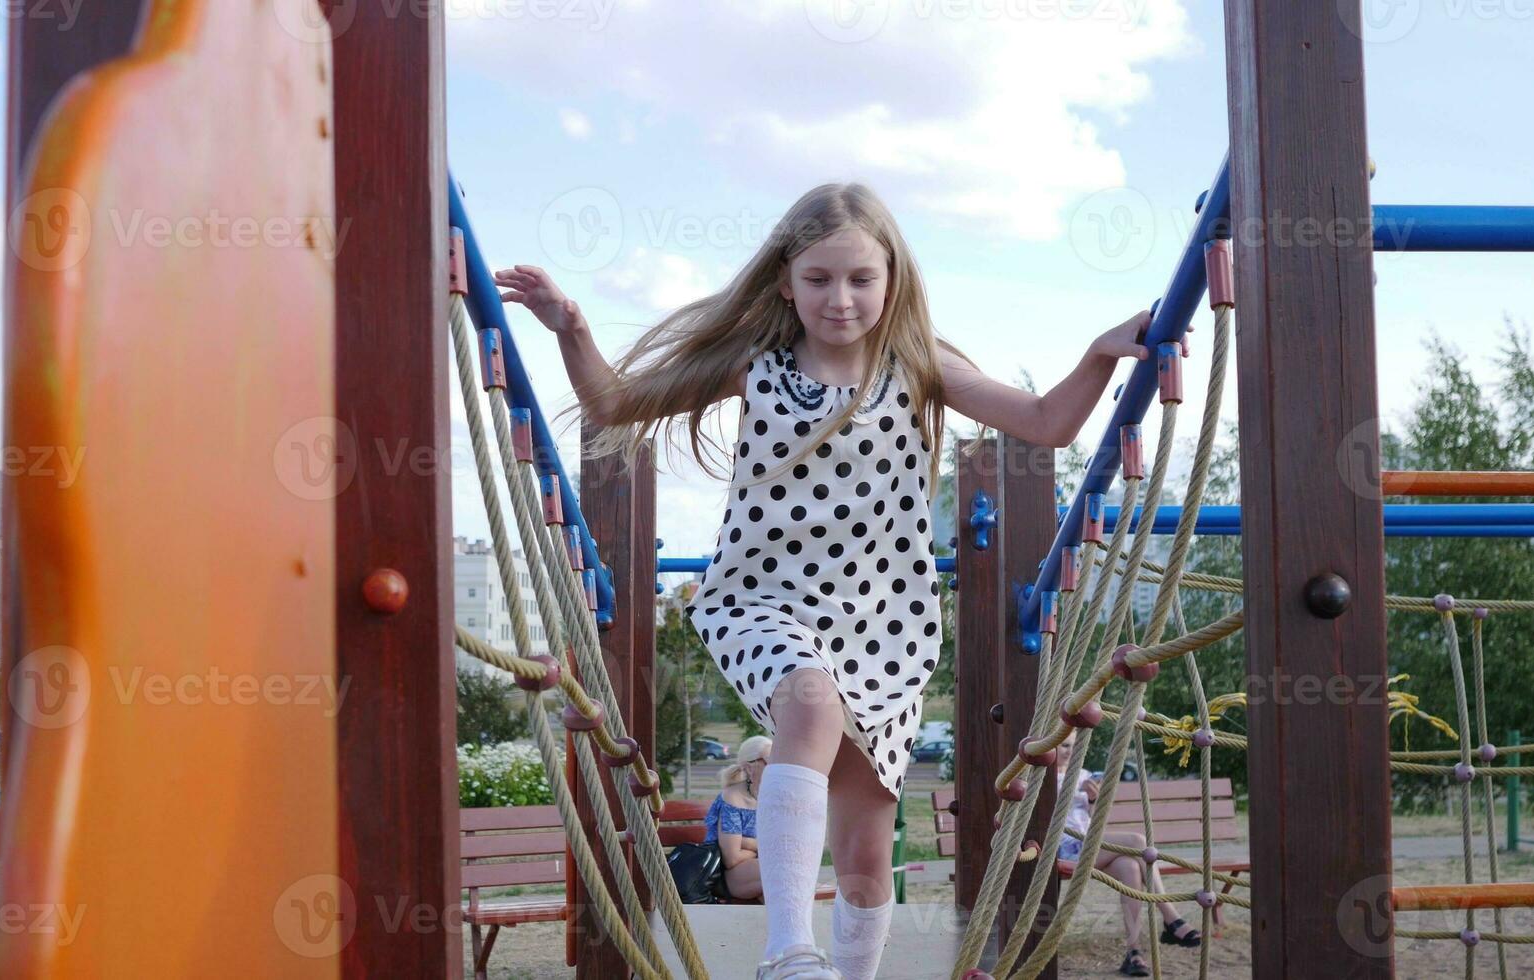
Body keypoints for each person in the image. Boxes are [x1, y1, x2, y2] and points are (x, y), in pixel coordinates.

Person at [496, 182, 1155, 980]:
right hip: (762, 599)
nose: (839, 299)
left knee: (866, 861)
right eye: (818, 280)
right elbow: (613, 401)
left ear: (891, 281)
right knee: (806, 701)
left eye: (859, 279)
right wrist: (573, 328)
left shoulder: (920, 369)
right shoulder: (757, 367)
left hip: (881, 626)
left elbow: (1048, 423)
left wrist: (1095, 354)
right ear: (785, 281)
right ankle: (788, 954)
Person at [1054, 738, 1202, 978]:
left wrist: (1093, 800)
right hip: (1063, 849)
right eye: (1063, 745)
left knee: (1130, 867)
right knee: (1137, 841)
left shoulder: (1084, 775)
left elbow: (1095, 820)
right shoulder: (1040, 776)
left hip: (1088, 844)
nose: (1069, 751)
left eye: (1073, 745)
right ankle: (1170, 917)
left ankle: (1134, 952)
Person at [705, 735, 772, 901]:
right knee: (778, 872)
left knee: (789, 875)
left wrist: (746, 843)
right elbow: (732, 858)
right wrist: (762, 847)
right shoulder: (732, 799)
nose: (777, 766)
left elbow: (782, 845)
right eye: (770, 761)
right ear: (750, 768)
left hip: (755, 869)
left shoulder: (772, 797)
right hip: (724, 876)